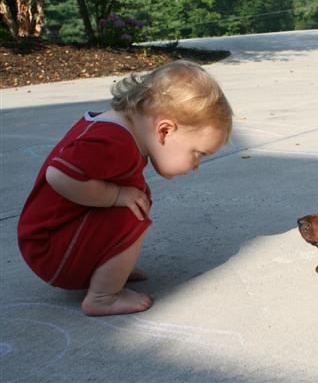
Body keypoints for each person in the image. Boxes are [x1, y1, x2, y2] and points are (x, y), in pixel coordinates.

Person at [17, 60, 233, 316]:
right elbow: (58, 175)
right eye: (197, 153)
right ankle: (103, 296)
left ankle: (108, 267)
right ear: (165, 130)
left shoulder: (121, 129)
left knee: (133, 195)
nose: (196, 165)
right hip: (50, 250)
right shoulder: (116, 143)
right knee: (131, 206)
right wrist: (115, 195)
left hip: (56, 240)